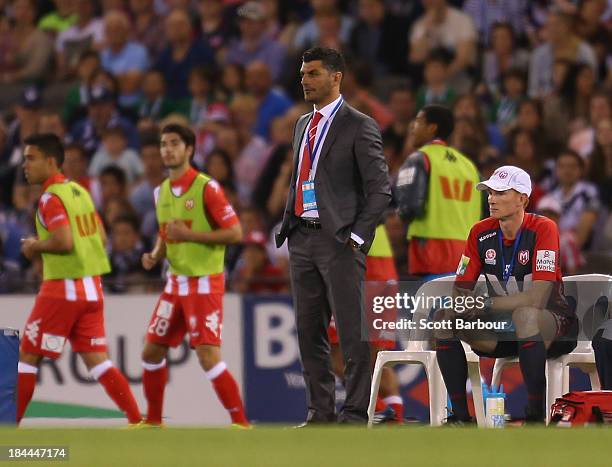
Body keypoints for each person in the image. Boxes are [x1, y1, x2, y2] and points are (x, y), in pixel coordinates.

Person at [275, 47, 392, 425]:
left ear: (336, 77)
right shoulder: (301, 126)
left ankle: (356, 412)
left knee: (351, 332)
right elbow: (302, 178)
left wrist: (357, 238)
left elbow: (380, 191)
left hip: (339, 241)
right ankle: (319, 413)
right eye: (303, 73)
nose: (304, 80)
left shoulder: (359, 125)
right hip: (302, 238)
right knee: (309, 332)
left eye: (313, 74)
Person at [434, 165, 578, 424]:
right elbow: (460, 289)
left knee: (526, 316)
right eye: (490, 192)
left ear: (522, 199)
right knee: (444, 318)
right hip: (504, 327)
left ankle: (535, 418)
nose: (491, 198)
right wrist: (465, 303)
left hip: (554, 324)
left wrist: (486, 303)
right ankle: (461, 419)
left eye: (500, 192)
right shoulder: (480, 232)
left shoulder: (544, 229)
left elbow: (537, 298)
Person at [16, 133, 142, 426]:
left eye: (31, 158)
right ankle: (138, 421)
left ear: (50, 161)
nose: (25, 165)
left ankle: (8, 430)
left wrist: (35, 245)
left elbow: (63, 241)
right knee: (98, 361)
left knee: (27, 357)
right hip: (91, 289)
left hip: (63, 287)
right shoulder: (79, 192)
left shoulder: (50, 197)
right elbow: (99, 235)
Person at [139, 124, 249, 427]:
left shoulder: (206, 188)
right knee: (151, 352)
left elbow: (235, 232)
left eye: (174, 143)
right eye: (163, 144)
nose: (167, 149)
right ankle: (153, 422)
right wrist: (155, 254)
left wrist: (190, 235)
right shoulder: (160, 191)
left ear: (189, 150)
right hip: (175, 282)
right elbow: (166, 231)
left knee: (207, 356)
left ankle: (241, 424)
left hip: (204, 281)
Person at [396, 104, 481, 278]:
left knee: (433, 301)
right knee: (457, 300)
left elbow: (410, 207)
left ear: (431, 128)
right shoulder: (470, 167)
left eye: (418, 122)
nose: (413, 128)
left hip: (431, 248)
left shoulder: (419, 158)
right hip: (466, 252)